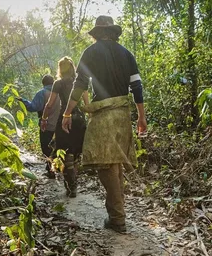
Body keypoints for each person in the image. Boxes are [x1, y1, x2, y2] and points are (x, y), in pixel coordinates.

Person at [61, 15, 147, 233]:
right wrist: (141, 117)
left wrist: (67, 113)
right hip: (122, 114)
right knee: (115, 162)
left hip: (103, 114)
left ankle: (118, 218)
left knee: (105, 164)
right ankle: (115, 213)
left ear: (97, 34)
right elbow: (136, 87)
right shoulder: (126, 53)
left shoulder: (90, 53)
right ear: (114, 33)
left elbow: (80, 85)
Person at [41, 57, 89, 197]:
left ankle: (71, 184)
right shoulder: (80, 83)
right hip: (79, 120)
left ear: (60, 69)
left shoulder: (58, 83)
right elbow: (86, 104)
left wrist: (44, 118)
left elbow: (49, 105)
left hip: (64, 119)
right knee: (75, 153)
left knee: (65, 152)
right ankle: (73, 182)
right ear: (73, 68)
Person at [18, 74, 60, 178]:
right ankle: (56, 167)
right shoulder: (60, 93)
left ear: (43, 83)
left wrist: (23, 101)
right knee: (58, 147)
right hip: (60, 125)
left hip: (46, 125)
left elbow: (34, 107)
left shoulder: (42, 93)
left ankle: (51, 170)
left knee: (46, 147)